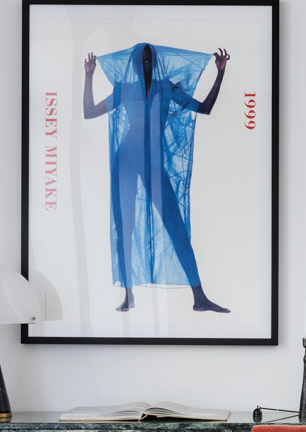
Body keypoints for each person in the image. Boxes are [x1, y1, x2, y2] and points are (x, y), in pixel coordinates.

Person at [83, 41, 230, 313]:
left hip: (152, 162)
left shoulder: (166, 88)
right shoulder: (125, 90)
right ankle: (128, 295)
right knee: (125, 227)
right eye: (141, 62)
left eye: (149, 61)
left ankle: (199, 297)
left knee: (176, 227)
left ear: (156, 63)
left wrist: (220, 73)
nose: (145, 66)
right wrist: (89, 76)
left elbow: (205, 108)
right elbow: (89, 112)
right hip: (126, 160)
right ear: (134, 66)